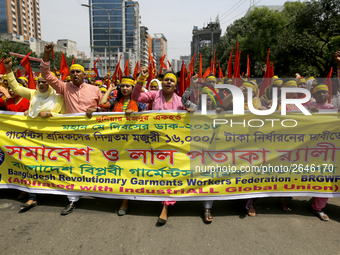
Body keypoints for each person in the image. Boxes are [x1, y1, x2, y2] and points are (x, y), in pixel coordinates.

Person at [40, 42, 102, 215]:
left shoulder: (95, 89)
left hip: (94, 136)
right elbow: (46, 73)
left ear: (84, 74)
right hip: (72, 136)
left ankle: (101, 191)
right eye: (72, 72)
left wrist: (96, 109)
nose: (75, 74)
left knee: (95, 164)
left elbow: (106, 109)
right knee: (72, 166)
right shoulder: (64, 87)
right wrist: (47, 53)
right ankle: (73, 199)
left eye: (78, 71)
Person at [131, 67, 185, 225]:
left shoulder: (181, 101)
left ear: (176, 86)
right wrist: (141, 78)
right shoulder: (154, 95)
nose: (168, 82)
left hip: (174, 145)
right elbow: (135, 97)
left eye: (172, 80)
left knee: (170, 175)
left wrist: (190, 111)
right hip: (154, 143)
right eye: (166, 79)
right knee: (157, 173)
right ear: (162, 83)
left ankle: (165, 208)